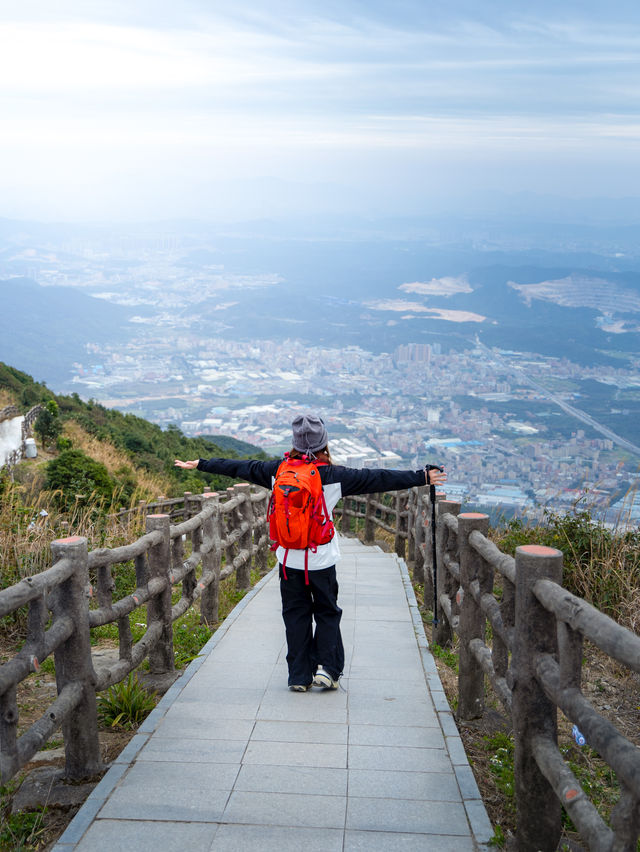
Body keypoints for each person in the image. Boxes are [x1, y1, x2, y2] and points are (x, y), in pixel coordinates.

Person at [175, 413, 447, 693]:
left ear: (294, 442)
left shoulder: (277, 471)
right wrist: (422, 476)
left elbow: (240, 467)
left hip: (288, 559)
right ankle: (328, 670)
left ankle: (298, 676)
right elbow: (377, 478)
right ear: (323, 444)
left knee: (295, 615)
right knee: (327, 612)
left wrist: (201, 464)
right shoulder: (334, 475)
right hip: (321, 559)